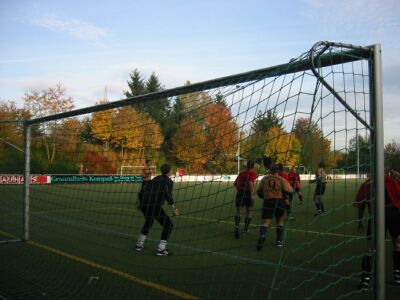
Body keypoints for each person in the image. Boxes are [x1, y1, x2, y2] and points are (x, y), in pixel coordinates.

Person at [356, 170, 400, 289]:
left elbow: (361, 206)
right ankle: (397, 275)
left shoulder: (366, 185)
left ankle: (365, 280)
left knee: (370, 248)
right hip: (394, 214)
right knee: (397, 244)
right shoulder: (392, 181)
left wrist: (360, 221)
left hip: (377, 216)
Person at [135, 163, 180, 256]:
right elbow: (167, 195)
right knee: (169, 225)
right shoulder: (168, 181)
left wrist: (140, 202)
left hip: (144, 205)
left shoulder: (156, 178)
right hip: (153, 206)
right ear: (169, 171)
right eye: (171, 170)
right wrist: (174, 208)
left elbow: (144, 190)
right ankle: (161, 249)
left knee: (149, 221)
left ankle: (139, 245)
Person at [256, 162, 293, 250]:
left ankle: (263, 235)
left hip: (268, 201)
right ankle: (279, 241)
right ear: (278, 170)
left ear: (270, 170)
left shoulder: (264, 179)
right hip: (279, 201)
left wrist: (263, 196)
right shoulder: (281, 179)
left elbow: (259, 191)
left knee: (265, 222)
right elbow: (290, 190)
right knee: (279, 221)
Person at [233, 160, 259, 239]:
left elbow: (235, 183)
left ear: (247, 165)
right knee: (249, 211)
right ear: (253, 165)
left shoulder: (241, 173)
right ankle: (246, 229)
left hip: (240, 193)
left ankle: (236, 227)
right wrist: (251, 194)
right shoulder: (254, 173)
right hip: (247, 193)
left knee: (239, 212)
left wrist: (240, 187)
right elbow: (250, 183)